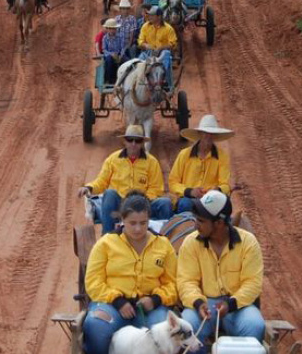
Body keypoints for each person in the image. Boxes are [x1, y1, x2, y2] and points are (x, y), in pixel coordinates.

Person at [81, 192, 178, 354]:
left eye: (143, 223)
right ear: (122, 220)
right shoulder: (105, 244)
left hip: (150, 308)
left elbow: (173, 283)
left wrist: (155, 300)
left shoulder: (163, 245)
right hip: (112, 306)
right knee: (96, 326)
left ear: (149, 220)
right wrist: (117, 301)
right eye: (132, 223)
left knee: (165, 334)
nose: (138, 228)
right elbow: (93, 282)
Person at [177, 190, 266, 351]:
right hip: (204, 303)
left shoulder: (248, 243)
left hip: (238, 306)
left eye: (201, 221)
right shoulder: (190, 243)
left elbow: (253, 284)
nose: (195, 225)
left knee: (255, 325)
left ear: (219, 223)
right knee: (188, 325)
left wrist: (230, 304)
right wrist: (198, 303)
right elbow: (186, 281)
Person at [77, 126, 173, 233]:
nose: (133, 143)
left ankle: (165, 242)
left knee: (165, 203)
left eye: (137, 140)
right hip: (120, 204)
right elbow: (101, 182)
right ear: (125, 142)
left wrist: (141, 201)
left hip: (144, 203)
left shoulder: (152, 162)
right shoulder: (112, 159)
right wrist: (88, 188)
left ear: (142, 143)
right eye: (130, 140)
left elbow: (156, 188)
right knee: (109, 194)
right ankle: (108, 237)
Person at [170, 115, 233, 214]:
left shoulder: (222, 156)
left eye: (212, 134)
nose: (208, 137)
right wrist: (189, 191)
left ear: (215, 136)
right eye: (205, 133)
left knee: (225, 208)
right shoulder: (184, 154)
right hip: (189, 198)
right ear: (200, 134)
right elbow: (173, 182)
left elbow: (226, 184)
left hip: (211, 199)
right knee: (185, 204)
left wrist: (217, 189)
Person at [137, 6, 177, 79]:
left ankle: (163, 78)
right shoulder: (145, 26)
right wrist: (145, 45)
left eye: (152, 15)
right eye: (149, 15)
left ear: (159, 17)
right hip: (149, 52)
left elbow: (173, 44)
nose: (149, 17)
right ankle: (139, 80)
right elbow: (140, 41)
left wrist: (161, 48)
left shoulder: (168, 28)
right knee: (140, 59)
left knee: (167, 54)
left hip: (162, 54)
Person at [101, 18, 126, 84]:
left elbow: (123, 48)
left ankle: (125, 79)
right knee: (108, 61)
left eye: (114, 28)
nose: (112, 30)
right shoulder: (105, 38)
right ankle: (109, 80)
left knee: (127, 61)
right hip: (110, 56)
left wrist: (121, 55)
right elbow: (104, 50)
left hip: (119, 55)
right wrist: (111, 54)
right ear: (107, 29)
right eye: (110, 28)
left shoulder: (121, 36)